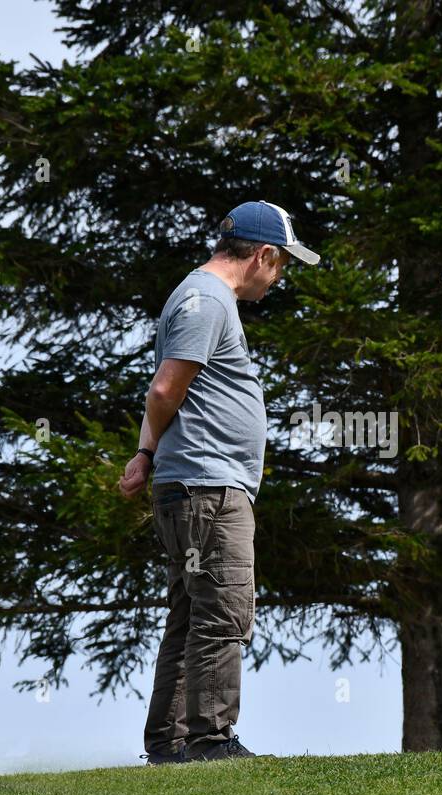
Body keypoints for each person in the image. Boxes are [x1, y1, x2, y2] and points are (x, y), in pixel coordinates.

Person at [118, 201, 319, 763]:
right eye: (280, 266)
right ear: (262, 255)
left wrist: (145, 453)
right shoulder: (208, 301)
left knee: (190, 613)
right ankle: (210, 739)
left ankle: (170, 743)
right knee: (224, 612)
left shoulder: (201, 298)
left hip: (195, 485)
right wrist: (148, 451)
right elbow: (164, 390)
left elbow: (164, 391)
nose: (279, 278)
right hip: (210, 489)